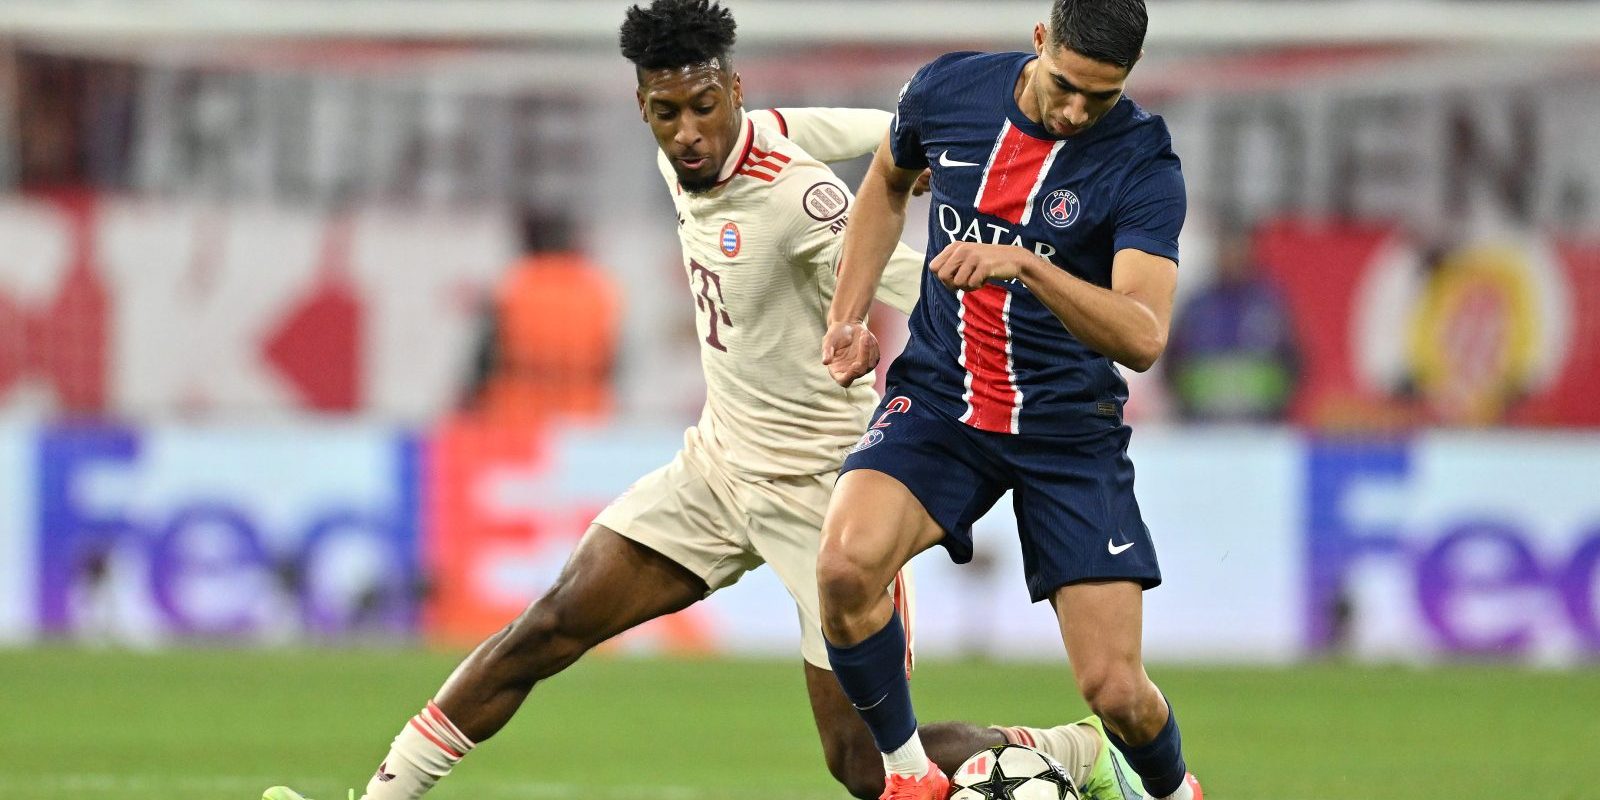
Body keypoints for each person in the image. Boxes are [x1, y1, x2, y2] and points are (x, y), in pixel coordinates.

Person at [263, 2, 1135, 799]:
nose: (688, 132)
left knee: (862, 767)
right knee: (550, 625)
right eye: (667, 111)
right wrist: (909, 135)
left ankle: (1070, 750)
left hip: (822, 497)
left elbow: (904, 273)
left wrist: (1005, 263)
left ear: (734, 91)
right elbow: (820, 126)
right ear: (644, 105)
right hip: (716, 471)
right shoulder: (698, 147)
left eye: (705, 107)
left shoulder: (801, 201)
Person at [814, 1, 1205, 798]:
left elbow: (1142, 336)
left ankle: (1172, 791)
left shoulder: (1142, 162)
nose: (1076, 111)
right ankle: (909, 778)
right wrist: (849, 317)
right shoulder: (947, 93)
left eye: (1100, 96)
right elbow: (886, 182)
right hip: (943, 401)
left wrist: (1027, 264)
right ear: (1039, 41)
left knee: (1117, 694)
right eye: (1065, 85)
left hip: (1067, 430)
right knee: (845, 568)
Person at [459, 210, 622, 428]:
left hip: (515, 417)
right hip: (585, 418)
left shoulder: (514, 286)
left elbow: (485, 358)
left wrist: (468, 406)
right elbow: (615, 359)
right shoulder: (598, 290)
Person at [1163, 222, 1299, 423]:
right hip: (1201, 428)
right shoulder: (1197, 308)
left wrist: (1278, 408)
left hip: (1261, 427)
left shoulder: (1271, 306)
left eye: (1238, 249)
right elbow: (1170, 366)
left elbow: (1297, 365)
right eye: (1227, 250)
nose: (1232, 257)